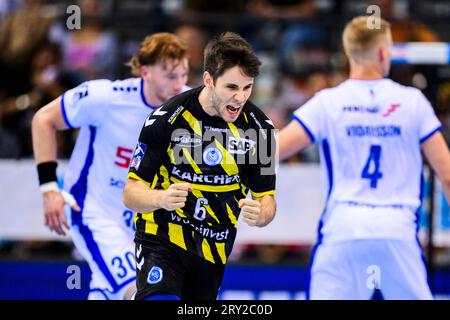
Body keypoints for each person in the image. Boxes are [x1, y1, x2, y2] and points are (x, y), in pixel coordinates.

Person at [279, 16, 450, 300]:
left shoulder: (328, 101)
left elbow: (273, 150)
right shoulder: (412, 101)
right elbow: (446, 174)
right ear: (385, 53)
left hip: (344, 226)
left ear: (348, 53)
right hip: (397, 229)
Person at [31, 32, 189, 300]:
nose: (179, 85)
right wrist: (49, 189)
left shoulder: (190, 106)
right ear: (145, 71)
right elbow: (43, 119)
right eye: (170, 76)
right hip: (94, 212)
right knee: (149, 293)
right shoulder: (106, 97)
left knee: (110, 293)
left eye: (184, 75)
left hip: (146, 223)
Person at [123, 32, 277, 300]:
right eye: (231, 87)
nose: (240, 97)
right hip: (161, 236)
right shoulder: (167, 119)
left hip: (214, 247)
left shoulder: (260, 130)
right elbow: (130, 193)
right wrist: (161, 198)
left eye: (247, 87)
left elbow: (267, 200)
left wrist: (261, 214)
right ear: (209, 79)